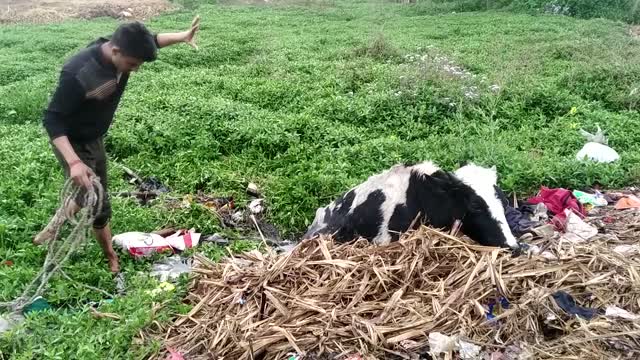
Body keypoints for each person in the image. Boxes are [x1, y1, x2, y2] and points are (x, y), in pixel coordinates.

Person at [33, 16, 201, 274]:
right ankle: (111, 257)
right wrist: (74, 162)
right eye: (133, 64)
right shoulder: (78, 72)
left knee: (89, 193)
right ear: (115, 51)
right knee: (98, 202)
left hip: (94, 137)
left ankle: (54, 225)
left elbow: (154, 41)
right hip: (73, 142)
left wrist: (183, 36)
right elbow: (52, 119)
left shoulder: (124, 47)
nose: (135, 69)